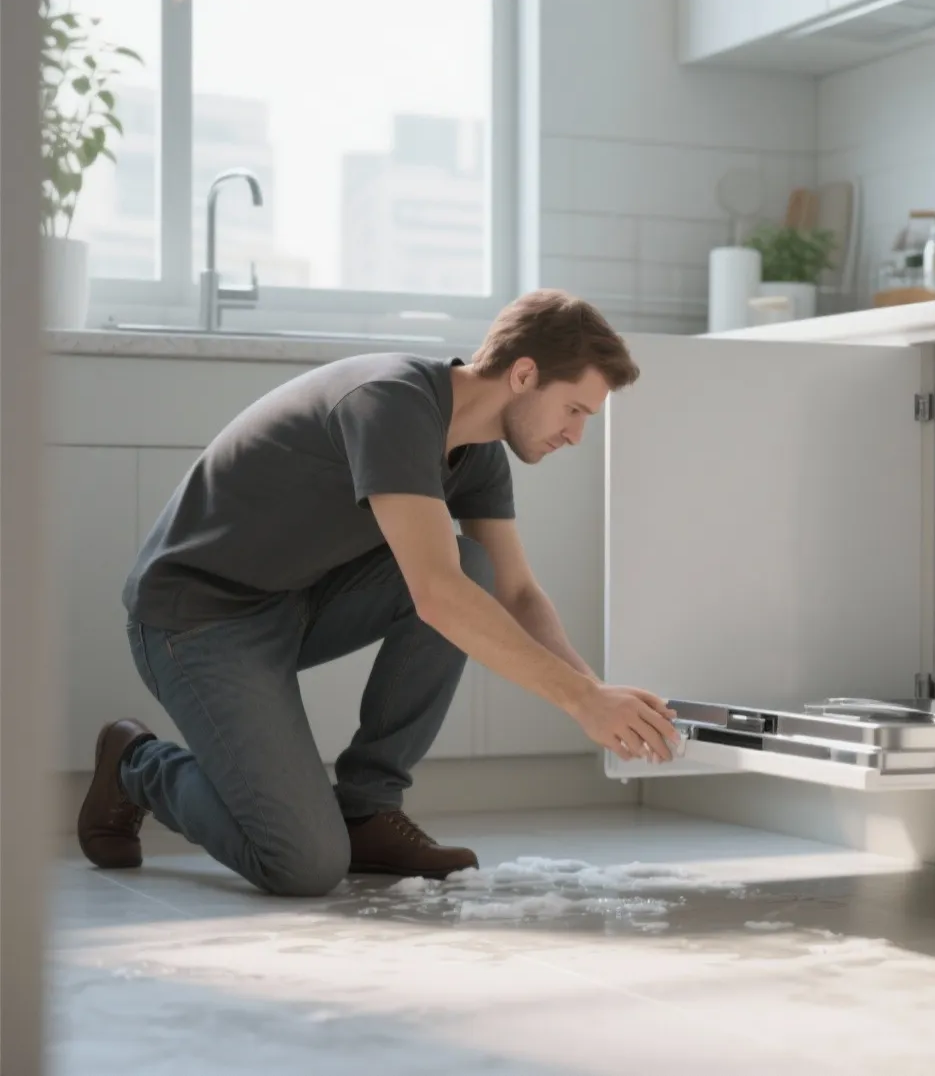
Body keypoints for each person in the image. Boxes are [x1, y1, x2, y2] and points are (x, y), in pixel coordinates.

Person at [76, 289, 681, 897]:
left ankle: (366, 811)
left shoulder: (478, 454)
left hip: (293, 601)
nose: (576, 435)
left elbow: (517, 591)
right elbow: (436, 595)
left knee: (474, 567)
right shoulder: (391, 402)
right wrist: (579, 699)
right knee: (304, 865)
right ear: (524, 374)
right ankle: (136, 766)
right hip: (195, 620)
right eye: (574, 410)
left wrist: (594, 691)